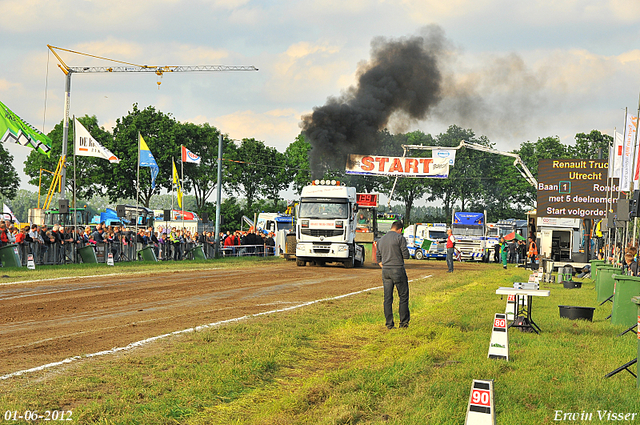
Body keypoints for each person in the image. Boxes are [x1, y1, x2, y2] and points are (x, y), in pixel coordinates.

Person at [376, 220, 410, 330]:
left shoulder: (381, 240)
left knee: (387, 298)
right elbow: (406, 255)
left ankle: (389, 324)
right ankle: (403, 323)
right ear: (400, 229)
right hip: (398, 269)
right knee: (403, 297)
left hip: (385, 270)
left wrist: (384, 264)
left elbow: (378, 258)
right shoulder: (400, 238)